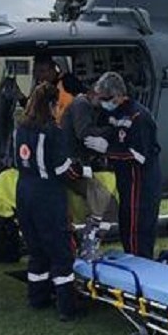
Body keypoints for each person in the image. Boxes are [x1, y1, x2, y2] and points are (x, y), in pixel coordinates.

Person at [14, 83, 88, 321]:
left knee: (36, 250)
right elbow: (62, 168)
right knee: (60, 252)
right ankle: (67, 307)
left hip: (23, 191)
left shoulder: (21, 128)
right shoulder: (52, 131)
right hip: (47, 195)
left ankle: (37, 298)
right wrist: (83, 172)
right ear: (52, 105)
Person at [84, 72, 160, 259]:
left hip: (141, 182)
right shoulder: (114, 113)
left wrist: (107, 150)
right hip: (126, 180)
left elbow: (139, 155)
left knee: (137, 229)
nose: (104, 103)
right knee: (126, 223)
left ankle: (141, 266)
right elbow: (111, 131)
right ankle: (132, 261)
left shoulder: (138, 117)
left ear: (118, 95)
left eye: (106, 99)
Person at [60, 87, 118, 260]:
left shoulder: (85, 106)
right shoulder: (81, 104)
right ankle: (88, 245)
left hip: (76, 167)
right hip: (72, 168)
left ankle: (90, 242)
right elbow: (84, 133)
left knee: (109, 205)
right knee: (105, 202)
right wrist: (110, 131)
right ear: (94, 93)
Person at [33, 55, 84, 123]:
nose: (40, 75)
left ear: (53, 69)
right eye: (37, 72)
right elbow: (31, 110)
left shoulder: (68, 82)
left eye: (43, 71)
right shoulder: (40, 89)